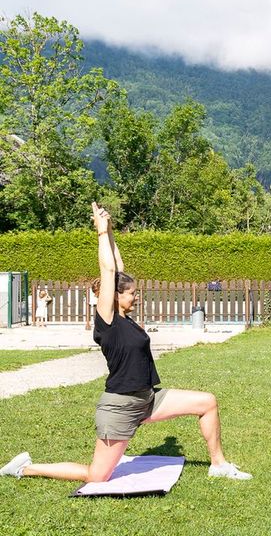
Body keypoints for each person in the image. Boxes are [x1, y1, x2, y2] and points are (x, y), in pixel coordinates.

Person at [0, 202, 251, 483]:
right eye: (131, 293)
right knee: (97, 476)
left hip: (148, 398)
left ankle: (218, 464)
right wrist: (99, 232)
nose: (137, 297)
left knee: (207, 402)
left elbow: (117, 269)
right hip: (120, 407)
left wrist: (111, 232)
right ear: (115, 296)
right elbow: (108, 272)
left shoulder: (125, 318)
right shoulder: (107, 321)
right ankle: (25, 467)